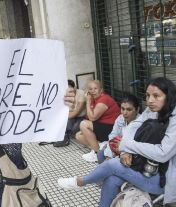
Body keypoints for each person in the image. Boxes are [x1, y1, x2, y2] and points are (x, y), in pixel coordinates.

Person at [57, 77, 176, 207]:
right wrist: (125, 150)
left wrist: (127, 145)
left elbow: (163, 153)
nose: (150, 100)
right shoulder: (151, 111)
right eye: (148, 96)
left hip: (162, 180)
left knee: (113, 164)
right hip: (145, 167)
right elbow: (133, 127)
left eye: (156, 96)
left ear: (168, 96)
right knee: (112, 177)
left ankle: (80, 182)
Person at [75, 80, 120, 162]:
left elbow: (92, 118)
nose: (93, 91)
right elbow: (88, 117)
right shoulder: (93, 99)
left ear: (101, 90)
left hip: (112, 128)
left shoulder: (104, 99)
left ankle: (97, 153)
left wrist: (87, 102)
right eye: (90, 89)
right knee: (78, 136)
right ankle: (103, 147)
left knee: (83, 124)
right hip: (103, 127)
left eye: (95, 88)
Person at [98, 94, 140, 163]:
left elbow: (134, 145)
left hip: (131, 153)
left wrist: (121, 151)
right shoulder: (120, 118)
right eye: (122, 109)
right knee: (100, 155)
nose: (125, 113)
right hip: (117, 147)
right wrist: (109, 156)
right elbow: (112, 136)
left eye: (129, 109)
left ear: (137, 110)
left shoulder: (141, 123)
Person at [53, 80, 86, 147]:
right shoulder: (64, 95)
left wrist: (64, 118)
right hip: (71, 115)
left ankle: (67, 135)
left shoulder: (81, 93)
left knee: (74, 128)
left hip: (82, 116)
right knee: (67, 124)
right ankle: (64, 138)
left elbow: (77, 111)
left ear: (75, 87)